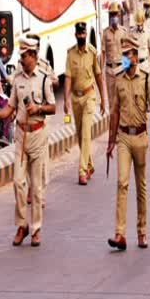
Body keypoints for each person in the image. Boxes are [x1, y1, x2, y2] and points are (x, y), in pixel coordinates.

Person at [0, 36, 56, 248]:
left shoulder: (44, 78)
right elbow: (10, 108)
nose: (21, 60)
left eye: (24, 56)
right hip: (21, 136)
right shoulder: (17, 79)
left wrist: (38, 109)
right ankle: (22, 225)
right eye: (20, 56)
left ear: (33, 56)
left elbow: (53, 107)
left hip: (38, 135)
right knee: (18, 183)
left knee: (36, 188)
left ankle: (36, 228)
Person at [106, 36, 150, 250]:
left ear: (136, 56)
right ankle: (120, 233)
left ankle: (142, 231)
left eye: (129, 54)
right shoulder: (119, 80)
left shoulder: (145, 79)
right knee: (122, 183)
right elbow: (115, 111)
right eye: (124, 54)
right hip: (124, 138)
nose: (126, 57)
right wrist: (110, 141)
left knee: (141, 185)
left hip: (140, 137)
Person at [65, 22, 106, 186]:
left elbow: (98, 76)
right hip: (76, 98)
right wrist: (66, 99)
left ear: (86, 35)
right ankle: (89, 164)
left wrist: (103, 99)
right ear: (76, 35)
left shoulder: (92, 53)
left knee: (86, 133)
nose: (81, 36)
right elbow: (68, 77)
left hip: (89, 96)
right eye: (79, 34)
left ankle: (82, 171)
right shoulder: (70, 54)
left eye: (84, 34)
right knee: (80, 134)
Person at [101, 0, 129, 106]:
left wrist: (127, 69)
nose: (114, 17)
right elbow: (103, 52)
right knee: (112, 101)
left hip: (120, 69)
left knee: (122, 99)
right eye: (112, 15)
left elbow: (127, 52)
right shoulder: (105, 33)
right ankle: (114, 123)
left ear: (119, 15)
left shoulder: (123, 32)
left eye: (115, 14)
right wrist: (101, 70)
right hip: (109, 70)